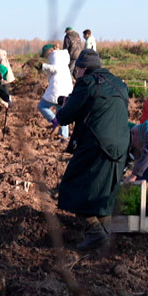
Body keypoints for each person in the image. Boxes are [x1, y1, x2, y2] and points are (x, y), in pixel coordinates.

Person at [54, 49, 130, 250]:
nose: (76, 74)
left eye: (77, 70)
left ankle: (95, 232)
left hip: (97, 143)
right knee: (104, 192)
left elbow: (68, 114)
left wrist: (60, 112)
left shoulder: (87, 83)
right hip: (122, 144)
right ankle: (104, 235)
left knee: (73, 186)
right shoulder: (119, 84)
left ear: (83, 69)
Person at [37, 43, 73, 140]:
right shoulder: (63, 57)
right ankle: (64, 138)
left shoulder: (55, 56)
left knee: (41, 106)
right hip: (65, 89)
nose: (45, 57)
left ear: (48, 51)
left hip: (57, 89)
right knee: (62, 112)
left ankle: (54, 121)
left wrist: (43, 66)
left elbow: (55, 69)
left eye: (45, 54)